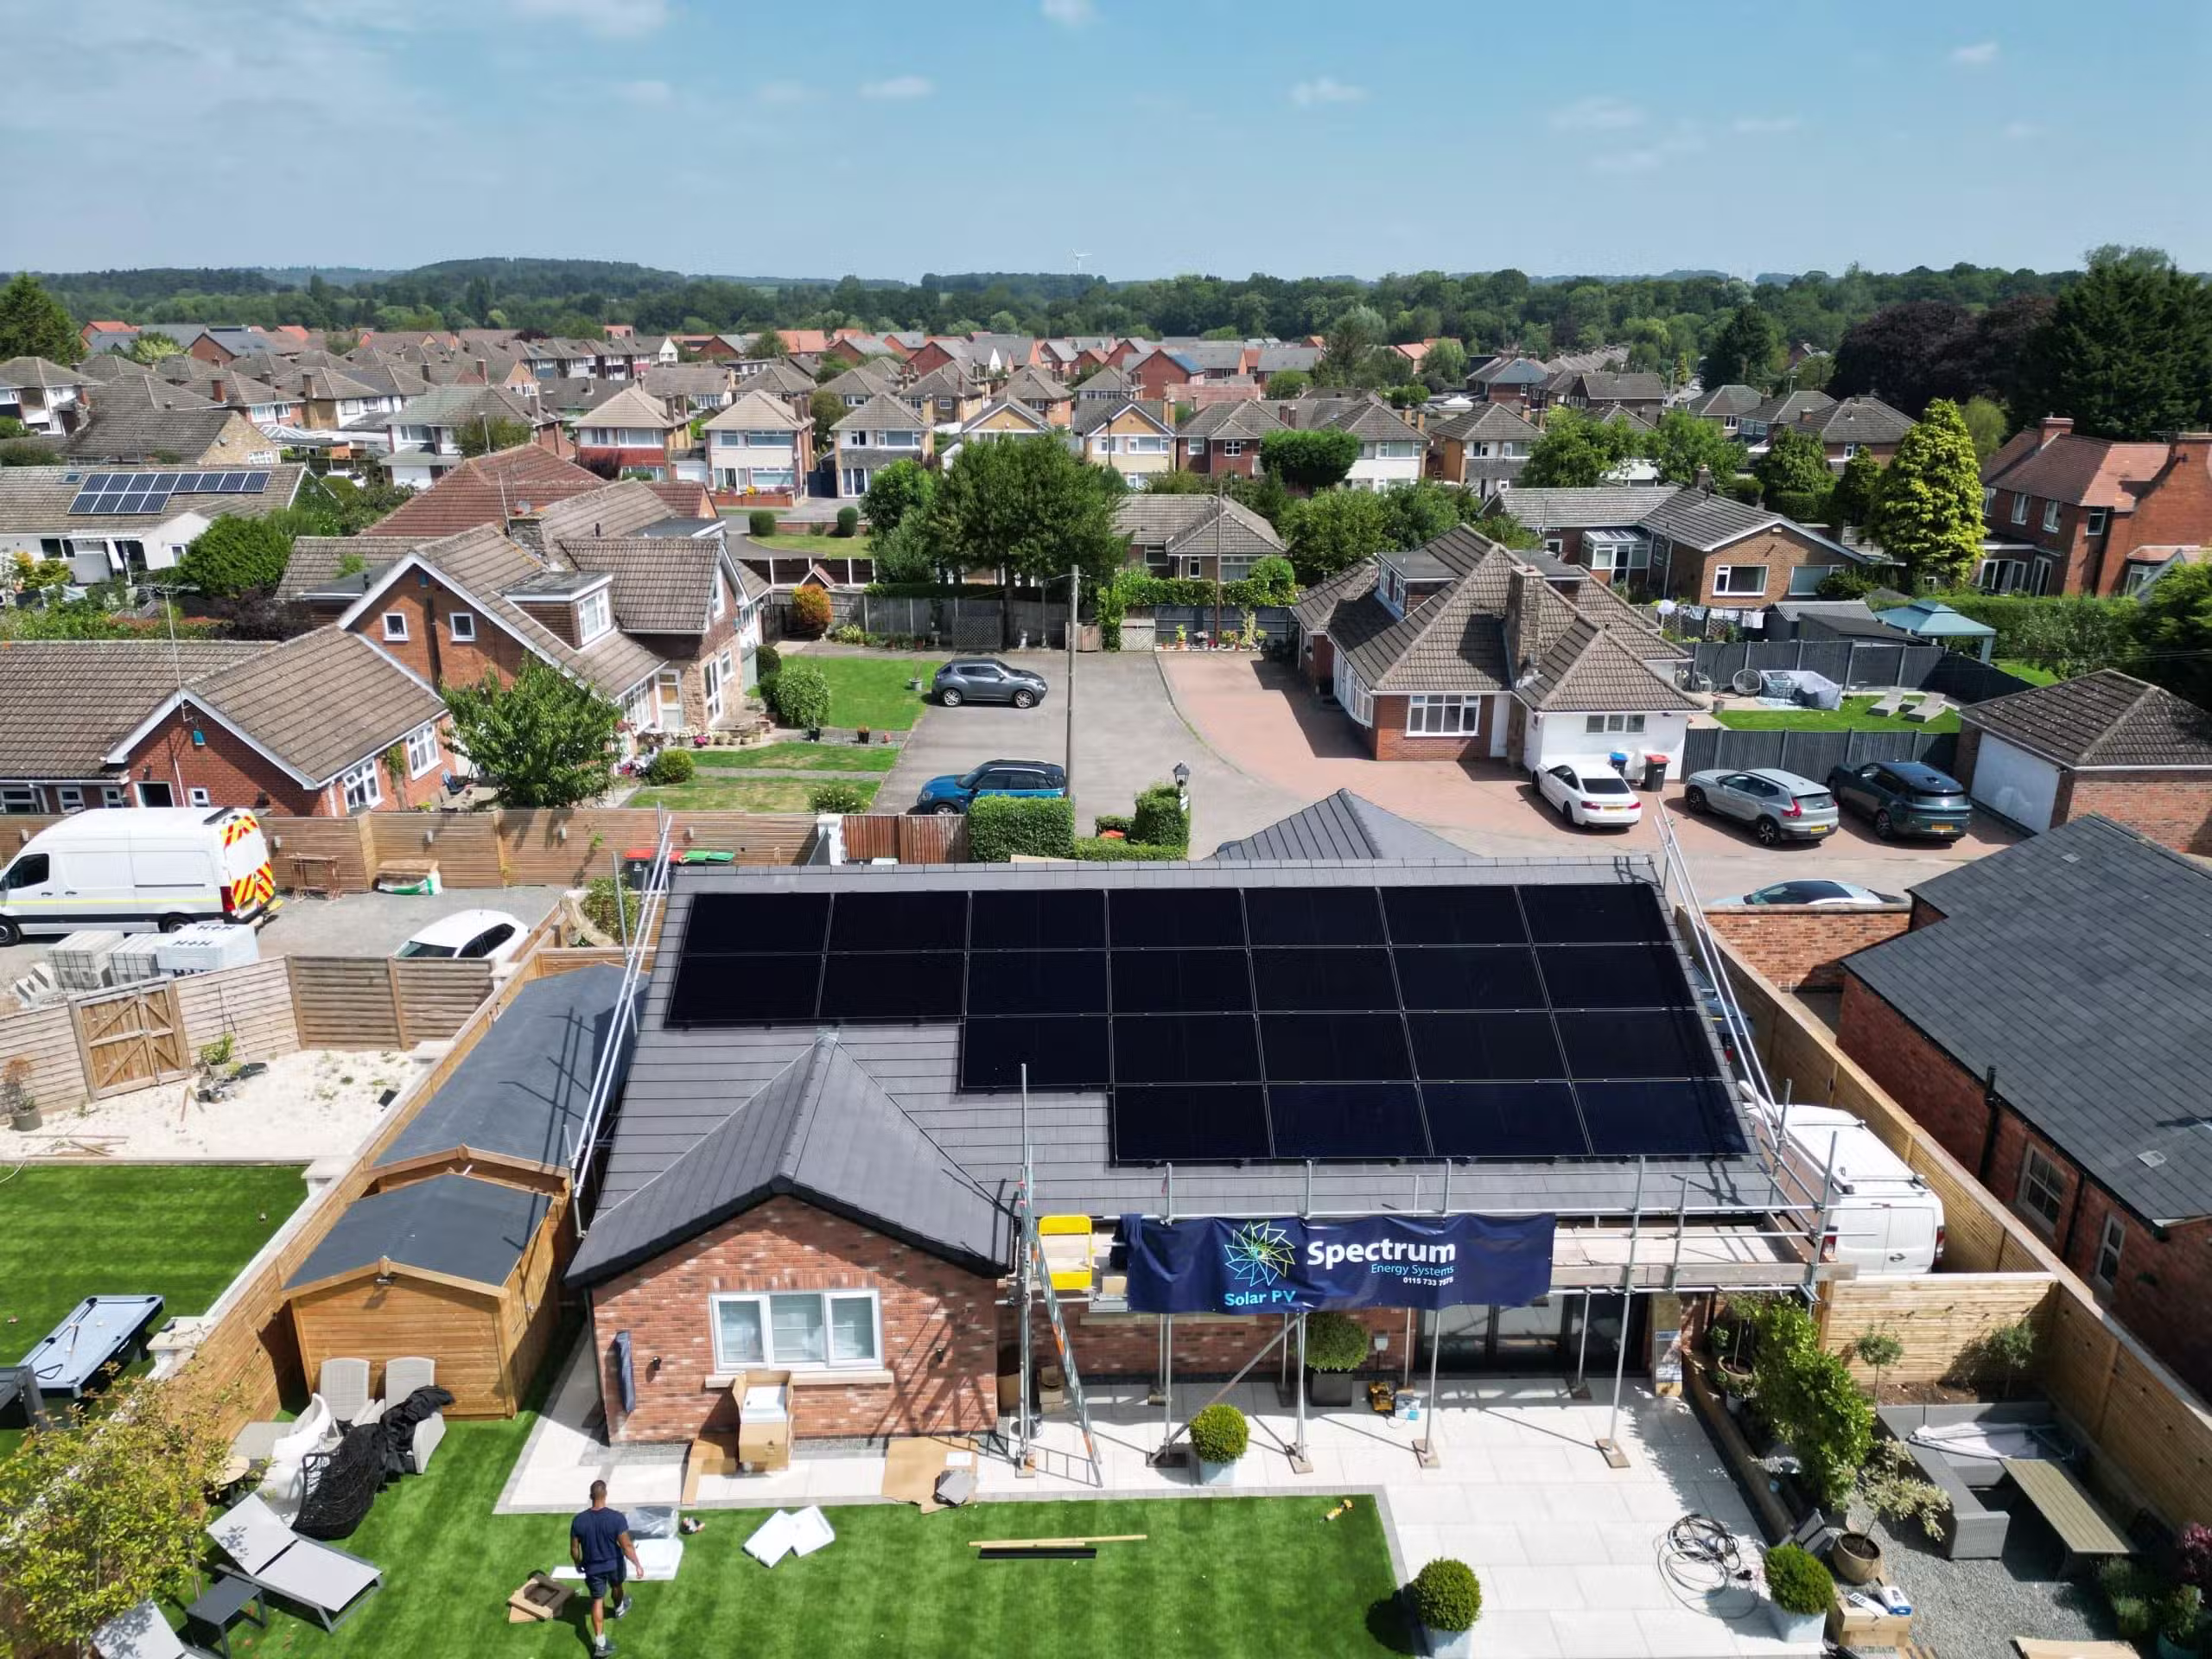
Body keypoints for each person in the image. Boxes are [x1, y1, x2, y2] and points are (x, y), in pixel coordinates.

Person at [570, 1479, 643, 1655]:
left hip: (592, 1568)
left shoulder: (579, 1520)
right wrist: (637, 1565)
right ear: (605, 1495)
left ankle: (601, 1644)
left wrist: (578, 1563)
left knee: (597, 1600)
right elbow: (627, 1546)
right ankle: (619, 1609)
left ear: (591, 1496)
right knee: (617, 1586)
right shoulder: (617, 1518)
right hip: (614, 1564)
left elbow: (574, 1549)